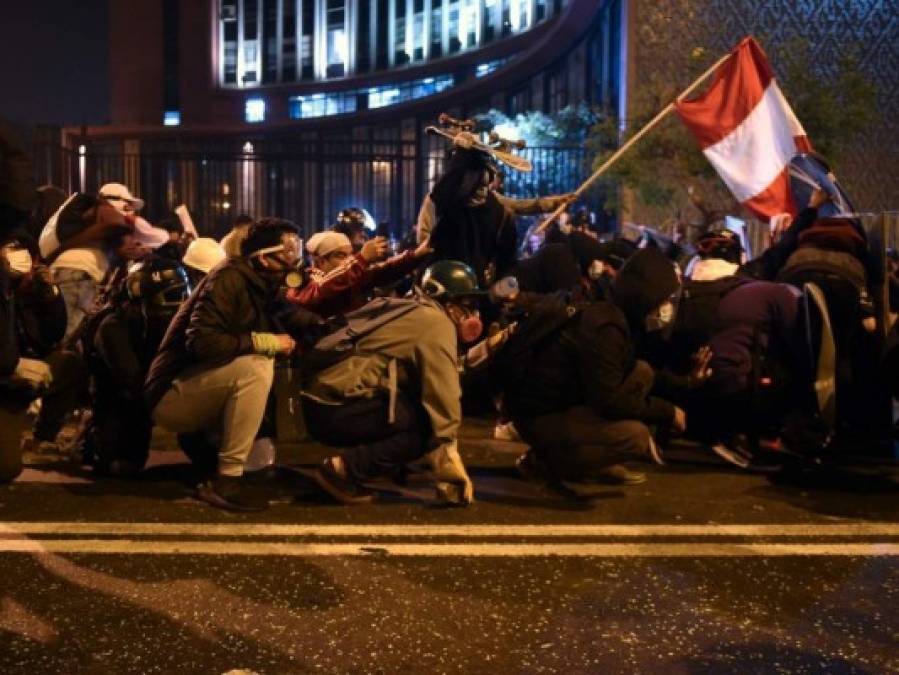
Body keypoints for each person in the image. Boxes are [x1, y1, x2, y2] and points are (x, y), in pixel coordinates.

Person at [145, 218, 321, 511]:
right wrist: (266, 342)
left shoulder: (260, 283)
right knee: (256, 367)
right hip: (170, 394)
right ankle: (226, 478)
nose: (294, 262)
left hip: (198, 386)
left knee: (261, 465)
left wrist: (335, 328)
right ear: (264, 257)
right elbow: (202, 342)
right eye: (288, 253)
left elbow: (295, 317)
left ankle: (225, 462)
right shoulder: (228, 279)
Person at [498, 248, 706, 488]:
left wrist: (686, 382)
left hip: (564, 403)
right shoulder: (604, 326)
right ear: (644, 294)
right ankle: (545, 462)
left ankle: (583, 459)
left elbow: (629, 371)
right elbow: (609, 402)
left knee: (642, 372)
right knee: (634, 437)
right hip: (540, 416)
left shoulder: (615, 312)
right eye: (663, 299)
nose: (665, 307)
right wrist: (667, 412)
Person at [302, 260, 484, 506]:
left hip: (322, 402)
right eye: (466, 304)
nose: (471, 314)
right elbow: (443, 394)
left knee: (412, 407)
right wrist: (448, 455)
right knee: (427, 427)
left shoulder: (407, 307)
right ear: (443, 299)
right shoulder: (435, 323)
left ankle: (382, 465)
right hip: (335, 409)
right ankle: (342, 470)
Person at [84, 257, 191, 475]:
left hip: (157, 389)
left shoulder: (180, 320)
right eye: (170, 296)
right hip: (124, 402)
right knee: (121, 466)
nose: (176, 305)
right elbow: (130, 381)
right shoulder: (113, 326)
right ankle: (92, 434)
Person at [0, 233, 86, 474]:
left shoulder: (31, 292)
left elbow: (52, 336)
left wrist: (50, 297)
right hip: (5, 378)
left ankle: (42, 437)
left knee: (69, 363)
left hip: (22, 375)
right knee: (7, 469)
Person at [39, 191, 134, 341]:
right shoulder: (105, 213)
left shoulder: (88, 223)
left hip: (70, 271)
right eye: (128, 205)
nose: (131, 209)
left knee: (63, 331)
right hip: (79, 274)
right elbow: (116, 226)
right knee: (67, 335)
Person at [285, 230, 431, 318]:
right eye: (341, 256)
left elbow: (381, 271)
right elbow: (322, 289)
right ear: (320, 261)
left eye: (350, 255)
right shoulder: (305, 281)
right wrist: (361, 258)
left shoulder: (349, 275)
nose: (348, 261)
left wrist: (416, 255)